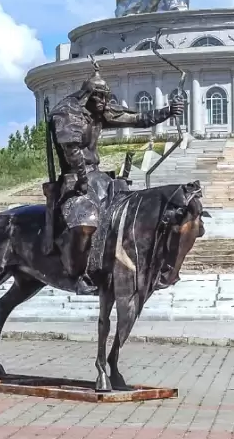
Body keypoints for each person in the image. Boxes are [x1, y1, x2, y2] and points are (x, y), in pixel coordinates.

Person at [45, 70, 184, 293]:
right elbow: (72, 150)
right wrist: (82, 179)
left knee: (130, 214)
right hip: (75, 178)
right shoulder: (67, 112)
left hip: (99, 177)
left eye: (105, 96)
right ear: (87, 95)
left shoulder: (101, 111)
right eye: (98, 96)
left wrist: (168, 112)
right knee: (84, 224)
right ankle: (76, 274)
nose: (103, 101)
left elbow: (137, 118)